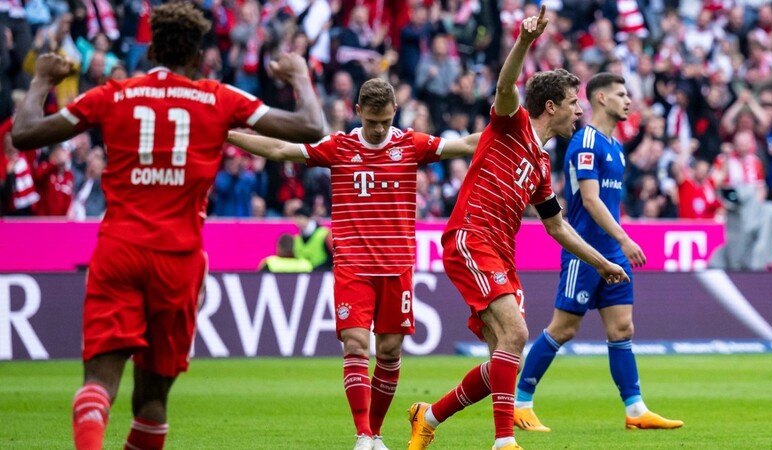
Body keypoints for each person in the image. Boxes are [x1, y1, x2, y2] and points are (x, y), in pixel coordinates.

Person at [10, 3, 324, 449]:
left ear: (151, 48)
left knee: (99, 383)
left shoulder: (112, 94)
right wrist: (298, 75)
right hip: (178, 262)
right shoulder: (219, 97)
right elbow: (312, 126)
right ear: (198, 57)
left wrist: (43, 78)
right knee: (153, 399)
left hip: (119, 249)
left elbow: (23, 135)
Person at [407, 9, 630, 450]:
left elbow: (558, 228)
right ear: (552, 106)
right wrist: (525, 41)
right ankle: (504, 441)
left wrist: (602, 262)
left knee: (502, 361)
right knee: (518, 334)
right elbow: (506, 86)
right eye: (573, 104)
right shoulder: (513, 124)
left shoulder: (543, 166)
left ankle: (427, 417)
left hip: (502, 254)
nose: (579, 113)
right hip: (471, 237)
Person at [226, 77, 481, 450]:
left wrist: (520, 131)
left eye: (384, 121)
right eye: (371, 121)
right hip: (353, 266)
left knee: (390, 351)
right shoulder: (340, 147)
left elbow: (469, 144)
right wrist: (228, 135)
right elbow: (281, 149)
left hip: (397, 266)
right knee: (357, 344)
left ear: (395, 111)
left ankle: (376, 434)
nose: (378, 130)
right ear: (357, 112)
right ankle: (362, 435)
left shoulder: (409, 144)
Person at [513, 73, 684, 433]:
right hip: (585, 253)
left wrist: (619, 245)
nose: (628, 101)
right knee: (564, 329)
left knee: (622, 328)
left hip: (614, 254)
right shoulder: (584, 142)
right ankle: (521, 403)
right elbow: (589, 200)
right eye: (622, 94)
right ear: (601, 98)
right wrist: (624, 239)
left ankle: (635, 409)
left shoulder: (616, 147)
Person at [291, 205, 334, 271]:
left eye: (300, 218)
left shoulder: (324, 233)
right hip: (304, 274)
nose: (298, 222)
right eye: (296, 219)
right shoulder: (297, 239)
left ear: (309, 218)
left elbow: (332, 258)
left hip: (322, 272)